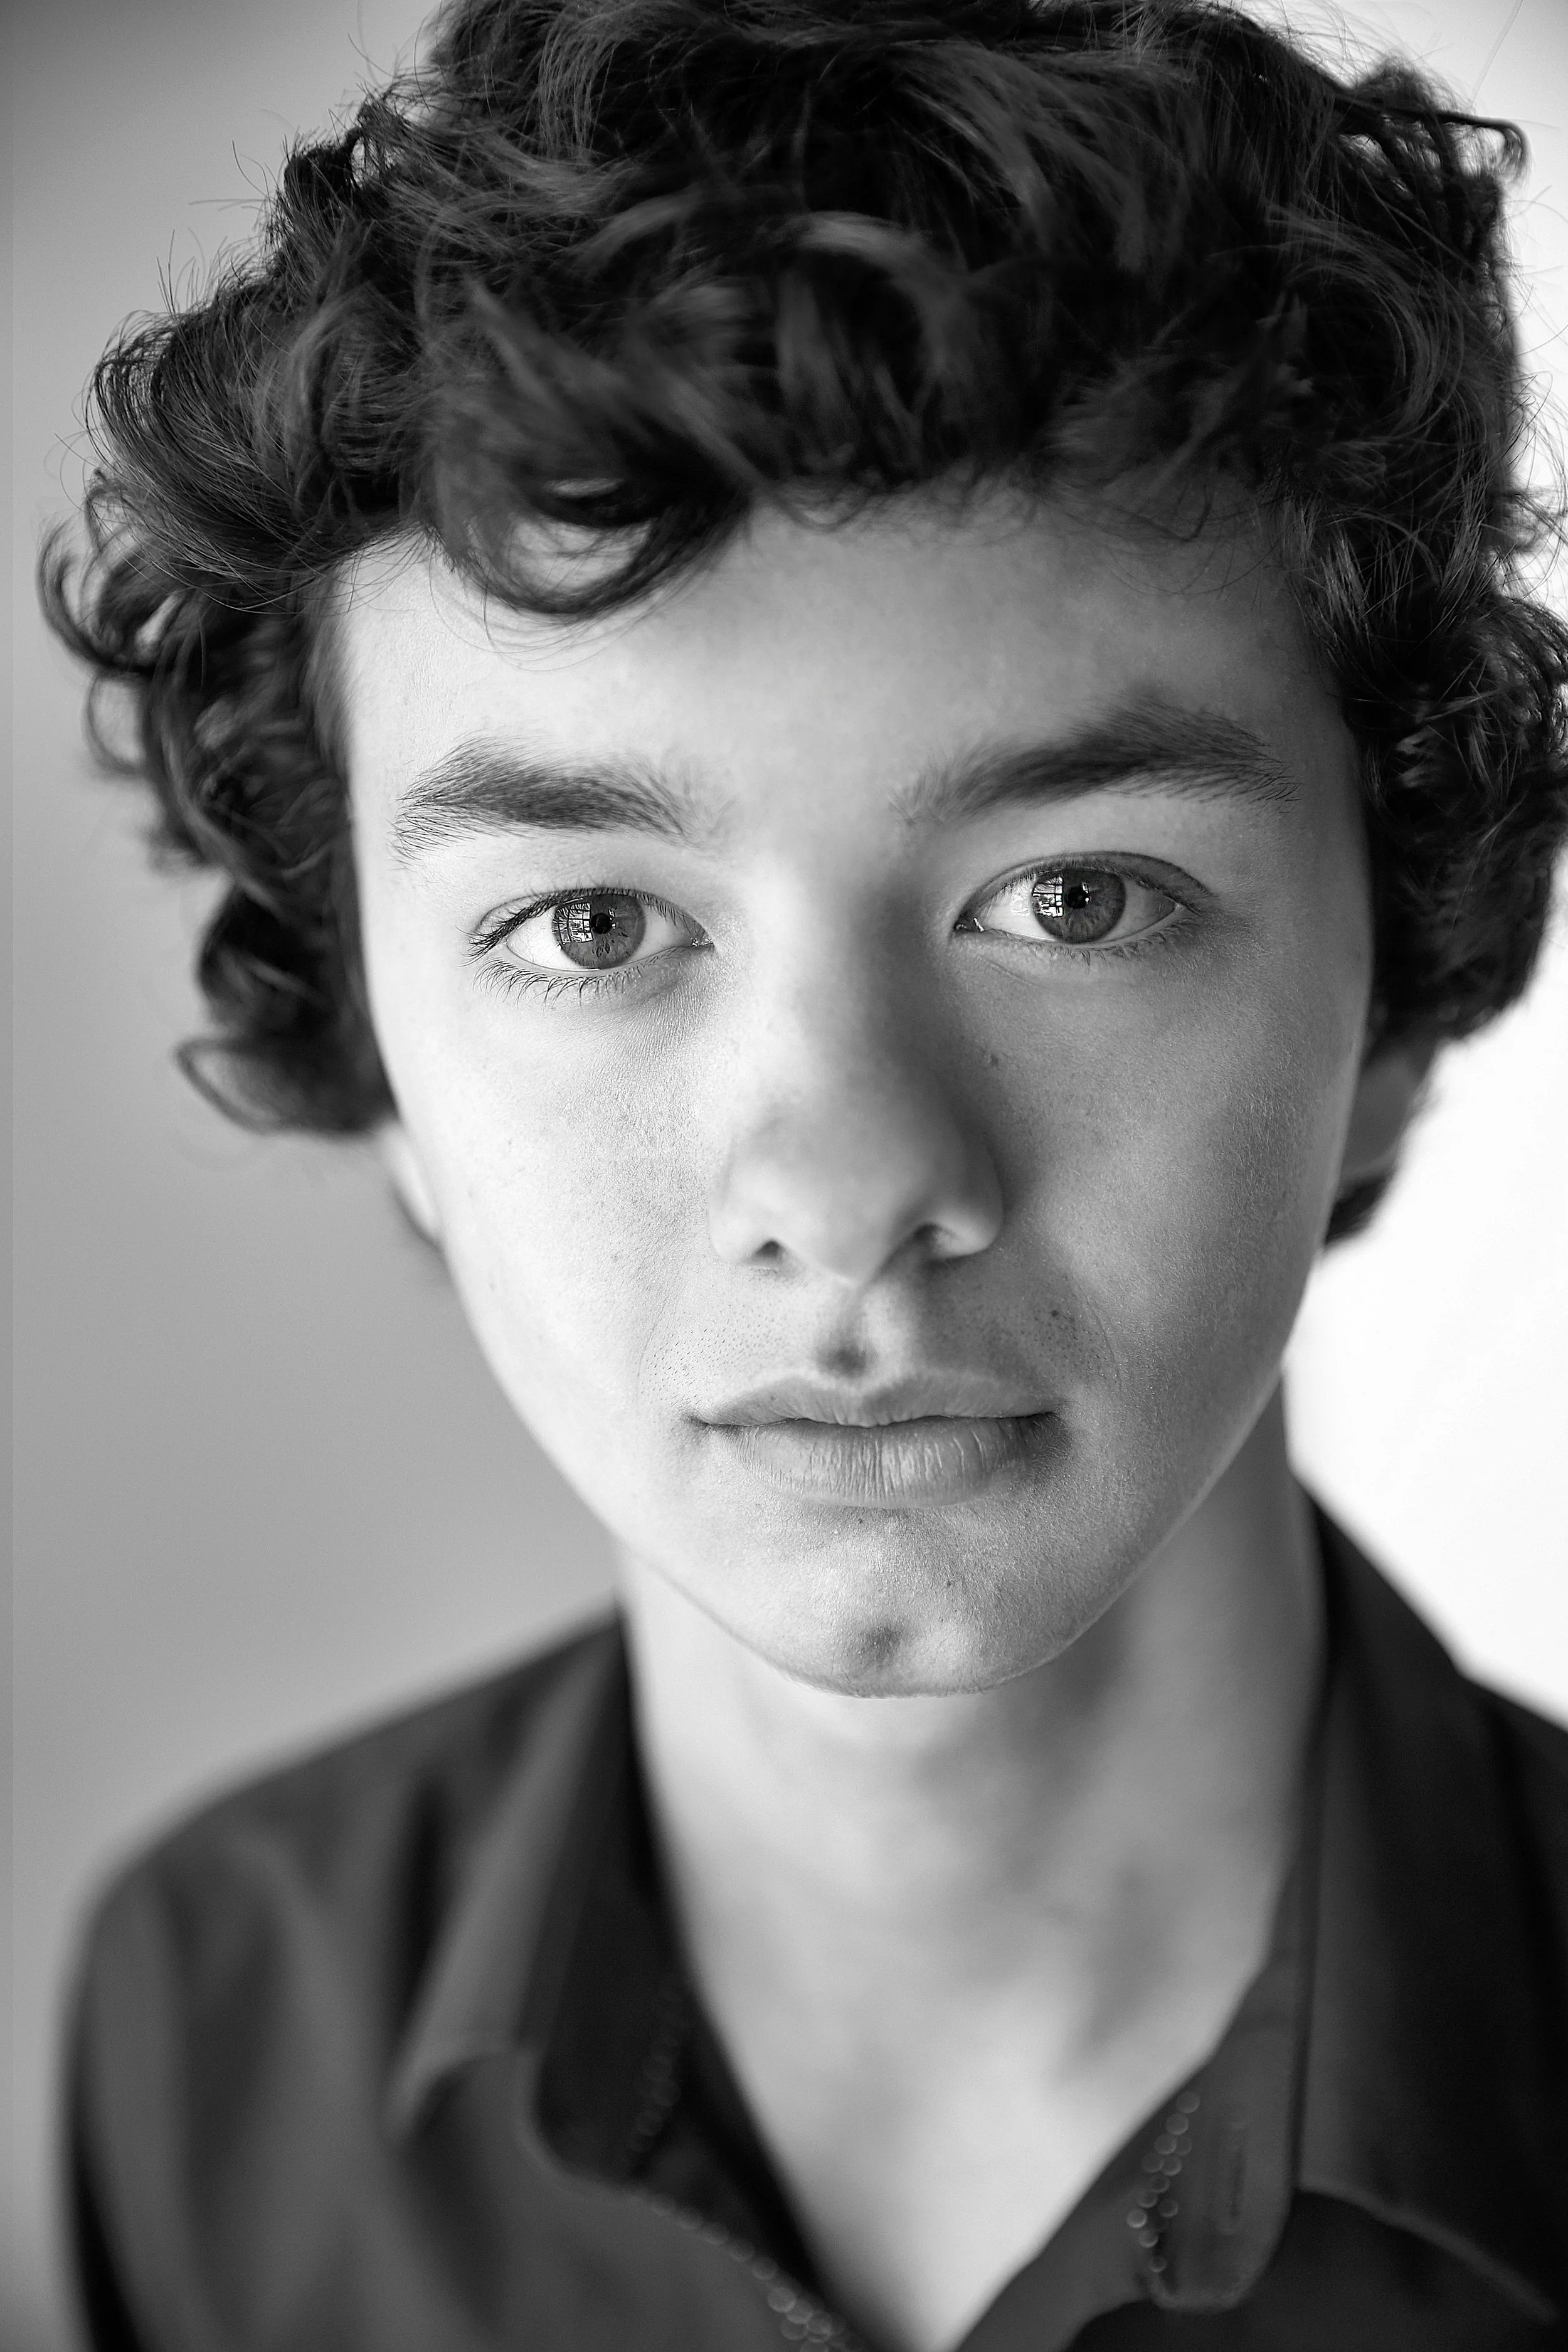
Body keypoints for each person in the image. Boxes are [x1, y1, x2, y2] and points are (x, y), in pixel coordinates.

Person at [43, 0, 1568, 2344]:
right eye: (587, 924)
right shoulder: (209, 2023)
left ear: (1388, 1004)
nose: (850, 1188)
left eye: (1078, 897)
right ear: (381, 1062)